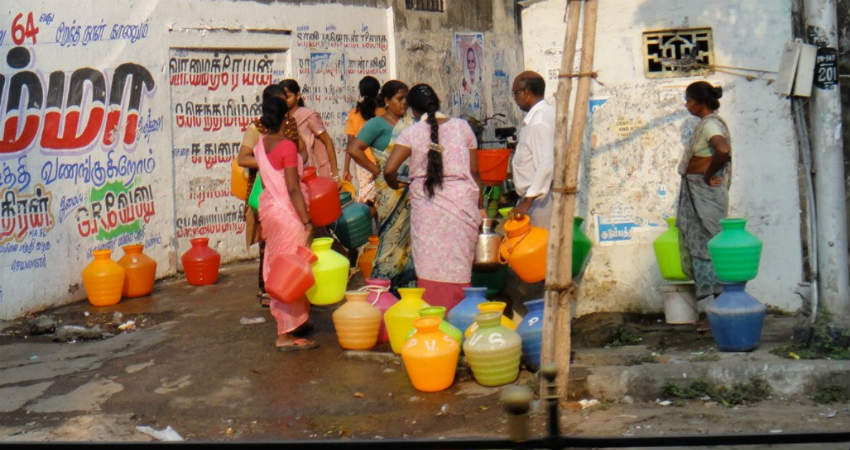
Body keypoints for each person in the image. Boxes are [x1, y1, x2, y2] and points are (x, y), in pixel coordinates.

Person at [385, 84, 483, 309]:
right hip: (462, 204)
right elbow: (475, 172)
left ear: (413, 111)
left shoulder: (411, 132)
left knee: (430, 267)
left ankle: (435, 324)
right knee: (460, 266)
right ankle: (462, 317)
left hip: (428, 209)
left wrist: (395, 184)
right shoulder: (462, 127)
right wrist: (480, 207)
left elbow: (389, 169)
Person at [253, 84, 317, 351]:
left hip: (270, 212)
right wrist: (306, 220)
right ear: (285, 118)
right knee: (292, 270)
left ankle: (293, 325)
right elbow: (292, 188)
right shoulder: (286, 146)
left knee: (280, 267)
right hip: (289, 214)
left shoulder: (259, 145)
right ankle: (285, 333)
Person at [237, 88, 306, 308]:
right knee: (268, 245)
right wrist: (274, 164)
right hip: (266, 191)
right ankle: (269, 289)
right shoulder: (256, 129)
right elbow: (243, 159)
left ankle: (287, 290)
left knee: (283, 249)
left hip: (288, 188)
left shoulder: (292, 127)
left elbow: (303, 152)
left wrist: (293, 163)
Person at [346, 80, 416, 290]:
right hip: (390, 192)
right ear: (386, 101)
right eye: (399, 99)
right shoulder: (377, 124)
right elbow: (355, 148)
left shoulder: (411, 124)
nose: (404, 103)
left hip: (411, 191)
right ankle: (382, 286)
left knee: (411, 243)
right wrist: (376, 169)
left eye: (406, 99)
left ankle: (406, 288)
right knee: (390, 240)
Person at [677, 81, 731, 319]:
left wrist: (709, 175)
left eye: (689, 100)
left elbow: (722, 149)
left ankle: (714, 312)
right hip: (697, 192)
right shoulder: (706, 124)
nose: (687, 105)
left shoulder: (710, 125)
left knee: (708, 249)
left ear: (699, 103)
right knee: (703, 247)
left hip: (704, 194)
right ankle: (712, 310)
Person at [509, 71, 555, 229]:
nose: (515, 98)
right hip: (535, 198)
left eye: (515, 93)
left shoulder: (539, 121)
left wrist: (527, 201)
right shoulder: (541, 116)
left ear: (526, 93)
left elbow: (546, 162)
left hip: (540, 201)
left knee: (539, 249)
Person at [280, 79, 340, 180]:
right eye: (282, 98)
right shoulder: (282, 119)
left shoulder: (308, 115)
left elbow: (327, 141)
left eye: (288, 97)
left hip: (312, 170)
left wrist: (335, 172)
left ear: (298, 95)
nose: (285, 101)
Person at [344, 76, 385, 205]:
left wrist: (346, 168)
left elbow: (350, 144)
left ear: (361, 92)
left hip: (362, 162)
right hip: (380, 159)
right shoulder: (382, 112)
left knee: (365, 197)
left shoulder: (353, 114)